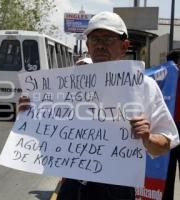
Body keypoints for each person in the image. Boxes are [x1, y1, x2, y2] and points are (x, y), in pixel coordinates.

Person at [19, 11, 180, 200]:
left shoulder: (143, 86)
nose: (101, 45)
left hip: (116, 190)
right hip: (71, 187)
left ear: (124, 46)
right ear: (87, 45)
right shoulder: (65, 84)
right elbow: (43, 135)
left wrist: (147, 138)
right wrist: (28, 112)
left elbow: (166, 142)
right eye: (95, 39)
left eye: (108, 39)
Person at [162, 49, 180, 200]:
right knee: (167, 168)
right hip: (170, 128)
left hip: (167, 128)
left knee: (167, 168)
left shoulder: (162, 77)